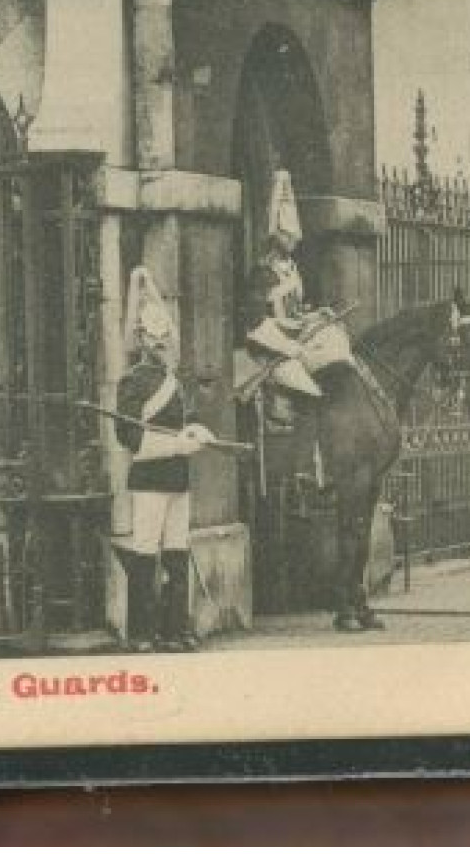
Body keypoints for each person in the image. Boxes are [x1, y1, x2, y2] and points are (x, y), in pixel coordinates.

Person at [112, 267, 216, 653]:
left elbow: (184, 421)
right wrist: (177, 445)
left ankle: (176, 629)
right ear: (141, 340)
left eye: (164, 338)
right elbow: (129, 436)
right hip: (150, 476)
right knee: (144, 553)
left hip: (177, 478)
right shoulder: (133, 381)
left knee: (176, 553)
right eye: (154, 339)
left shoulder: (178, 379)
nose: (161, 345)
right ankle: (140, 633)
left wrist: (197, 431)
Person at [239, 170, 325, 432]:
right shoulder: (262, 272)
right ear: (276, 236)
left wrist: (318, 315)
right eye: (288, 235)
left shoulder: (293, 269)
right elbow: (255, 324)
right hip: (269, 351)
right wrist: (287, 347)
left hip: (295, 343)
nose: (294, 241)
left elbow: (295, 312)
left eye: (295, 236)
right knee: (310, 393)